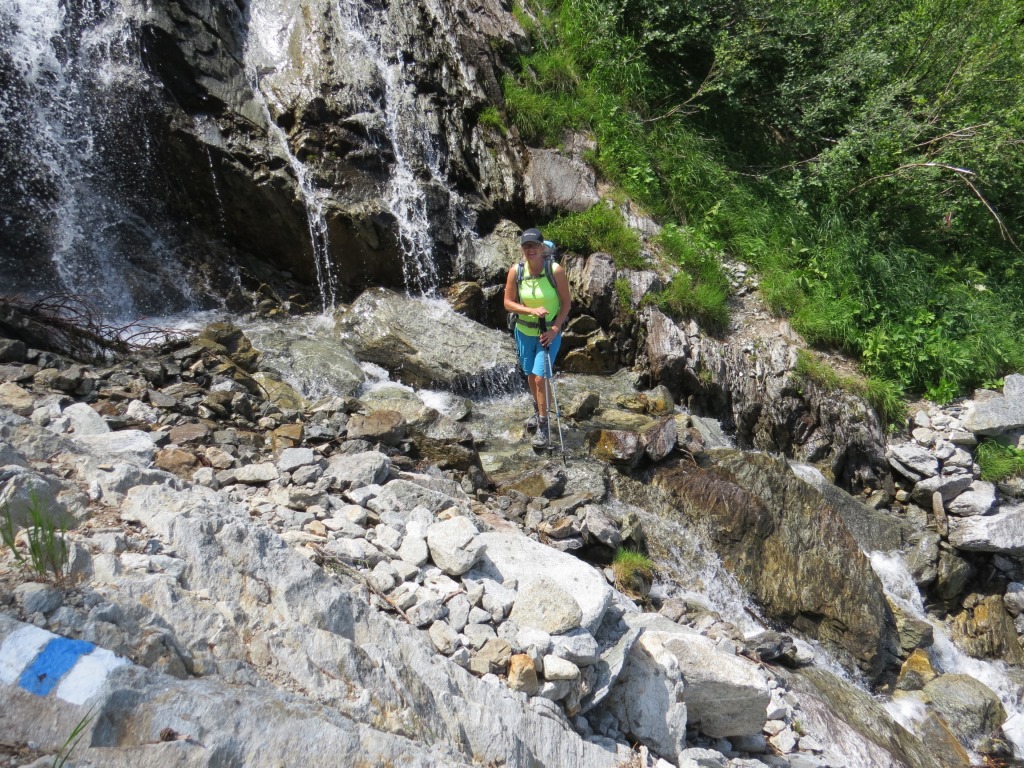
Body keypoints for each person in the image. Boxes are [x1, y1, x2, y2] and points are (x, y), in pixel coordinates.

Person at [503, 227, 572, 449]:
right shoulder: (516, 271)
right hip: (523, 332)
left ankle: (543, 424)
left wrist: (555, 329)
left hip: (548, 334)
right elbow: (507, 303)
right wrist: (530, 311)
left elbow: (566, 303)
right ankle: (539, 408)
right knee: (531, 376)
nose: (530, 249)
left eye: (534, 245)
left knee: (540, 378)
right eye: (526, 246)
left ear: (542, 247)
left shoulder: (555, 271)